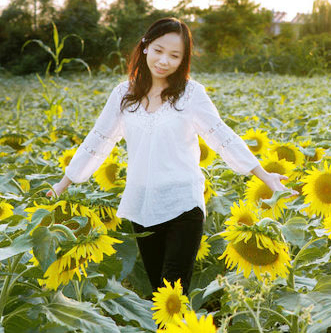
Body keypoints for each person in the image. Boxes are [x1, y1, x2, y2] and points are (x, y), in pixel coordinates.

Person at [47, 17, 294, 295]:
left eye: (174, 56)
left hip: (182, 204)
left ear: (183, 60)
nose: (164, 60)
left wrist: (263, 174)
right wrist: (62, 184)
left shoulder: (190, 95)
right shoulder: (123, 94)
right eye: (158, 50)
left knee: (174, 290)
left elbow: (222, 137)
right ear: (145, 47)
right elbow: (98, 140)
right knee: (159, 294)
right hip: (142, 205)